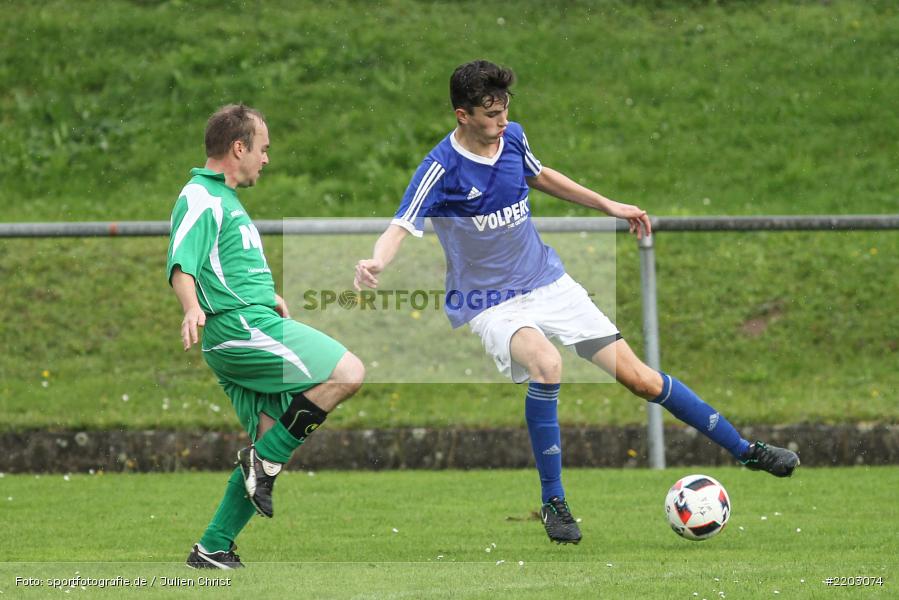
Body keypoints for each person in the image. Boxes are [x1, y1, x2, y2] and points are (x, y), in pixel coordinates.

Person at [355, 60, 799, 545]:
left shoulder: (514, 139)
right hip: (491, 303)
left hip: (548, 283)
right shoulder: (440, 168)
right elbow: (402, 223)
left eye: (505, 110)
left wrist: (610, 204)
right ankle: (554, 501)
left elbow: (542, 177)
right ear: (463, 115)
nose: (501, 121)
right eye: (489, 114)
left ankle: (746, 450)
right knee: (547, 365)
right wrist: (376, 261)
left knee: (644, 380)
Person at [167, 104, 365, 568]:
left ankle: (213, 546)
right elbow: (182, 261)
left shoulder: (224, 199)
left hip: (247, 319)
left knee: (271, 433)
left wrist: (267, 294)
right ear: (239, 147)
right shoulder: (201, 197)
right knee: (347, 373)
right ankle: (264, 464)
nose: (267, 159)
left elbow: (224, 264)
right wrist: (192, 307)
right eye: (263, 148)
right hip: (239, 328)